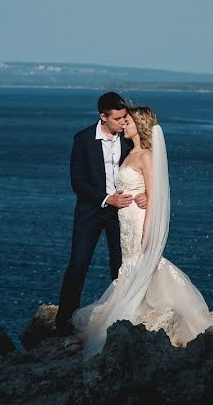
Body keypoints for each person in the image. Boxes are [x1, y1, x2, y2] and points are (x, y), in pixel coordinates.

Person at [72, 106, 212, 356]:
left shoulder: (146, 155)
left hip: (137, 220)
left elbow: (156, 191)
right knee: (129, 266)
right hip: (124, 221)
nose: (124, 125)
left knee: (142, 262)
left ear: (140, 125)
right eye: (122, 121)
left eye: (128, 122)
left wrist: (148, 225)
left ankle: (143, 312)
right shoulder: (131, 152)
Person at [55, 92, 148, 335]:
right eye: (117, 119)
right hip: (91, 211)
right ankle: (64, 320)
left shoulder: (128, 139)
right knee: (78, 263)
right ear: (103, 117)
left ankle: (121, 317)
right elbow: (78, 181)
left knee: (120, 264)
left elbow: (147, 167)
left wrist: (147, 193)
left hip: (124, 213)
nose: (123, 123)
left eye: (124, 118)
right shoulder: (83, 139)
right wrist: (107, 199)